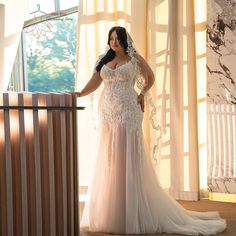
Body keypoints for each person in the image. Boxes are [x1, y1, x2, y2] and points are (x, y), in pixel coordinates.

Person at [74, 26, 226, 235]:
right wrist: (80, 94)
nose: (114, 42)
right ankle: (112, 209)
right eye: (111, 39)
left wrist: (142, 94)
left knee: (128, 157)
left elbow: (150, 77)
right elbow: (95, 81)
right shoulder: (103, 59)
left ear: (125, 40)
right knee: (110, 158)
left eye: (117, 39)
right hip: (108, 112)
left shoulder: (134, 59)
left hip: (128, 110)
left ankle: (133, 211)